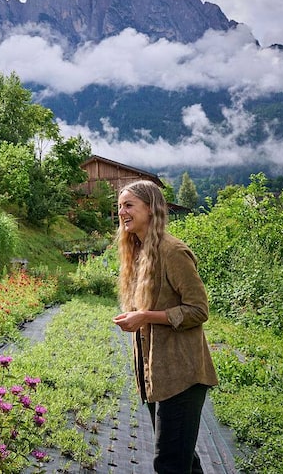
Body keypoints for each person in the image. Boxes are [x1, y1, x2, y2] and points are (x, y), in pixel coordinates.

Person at [112, 180, 218, 474]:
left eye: (129, 205)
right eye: (120, 206)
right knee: (182, 459)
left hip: (182, 376)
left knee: (170, 463)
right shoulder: (139, 250)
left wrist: (145, 316)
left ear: (151, 208)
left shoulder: (173, 252)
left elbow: (198, 310)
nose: (122, 212)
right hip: (155, 375)